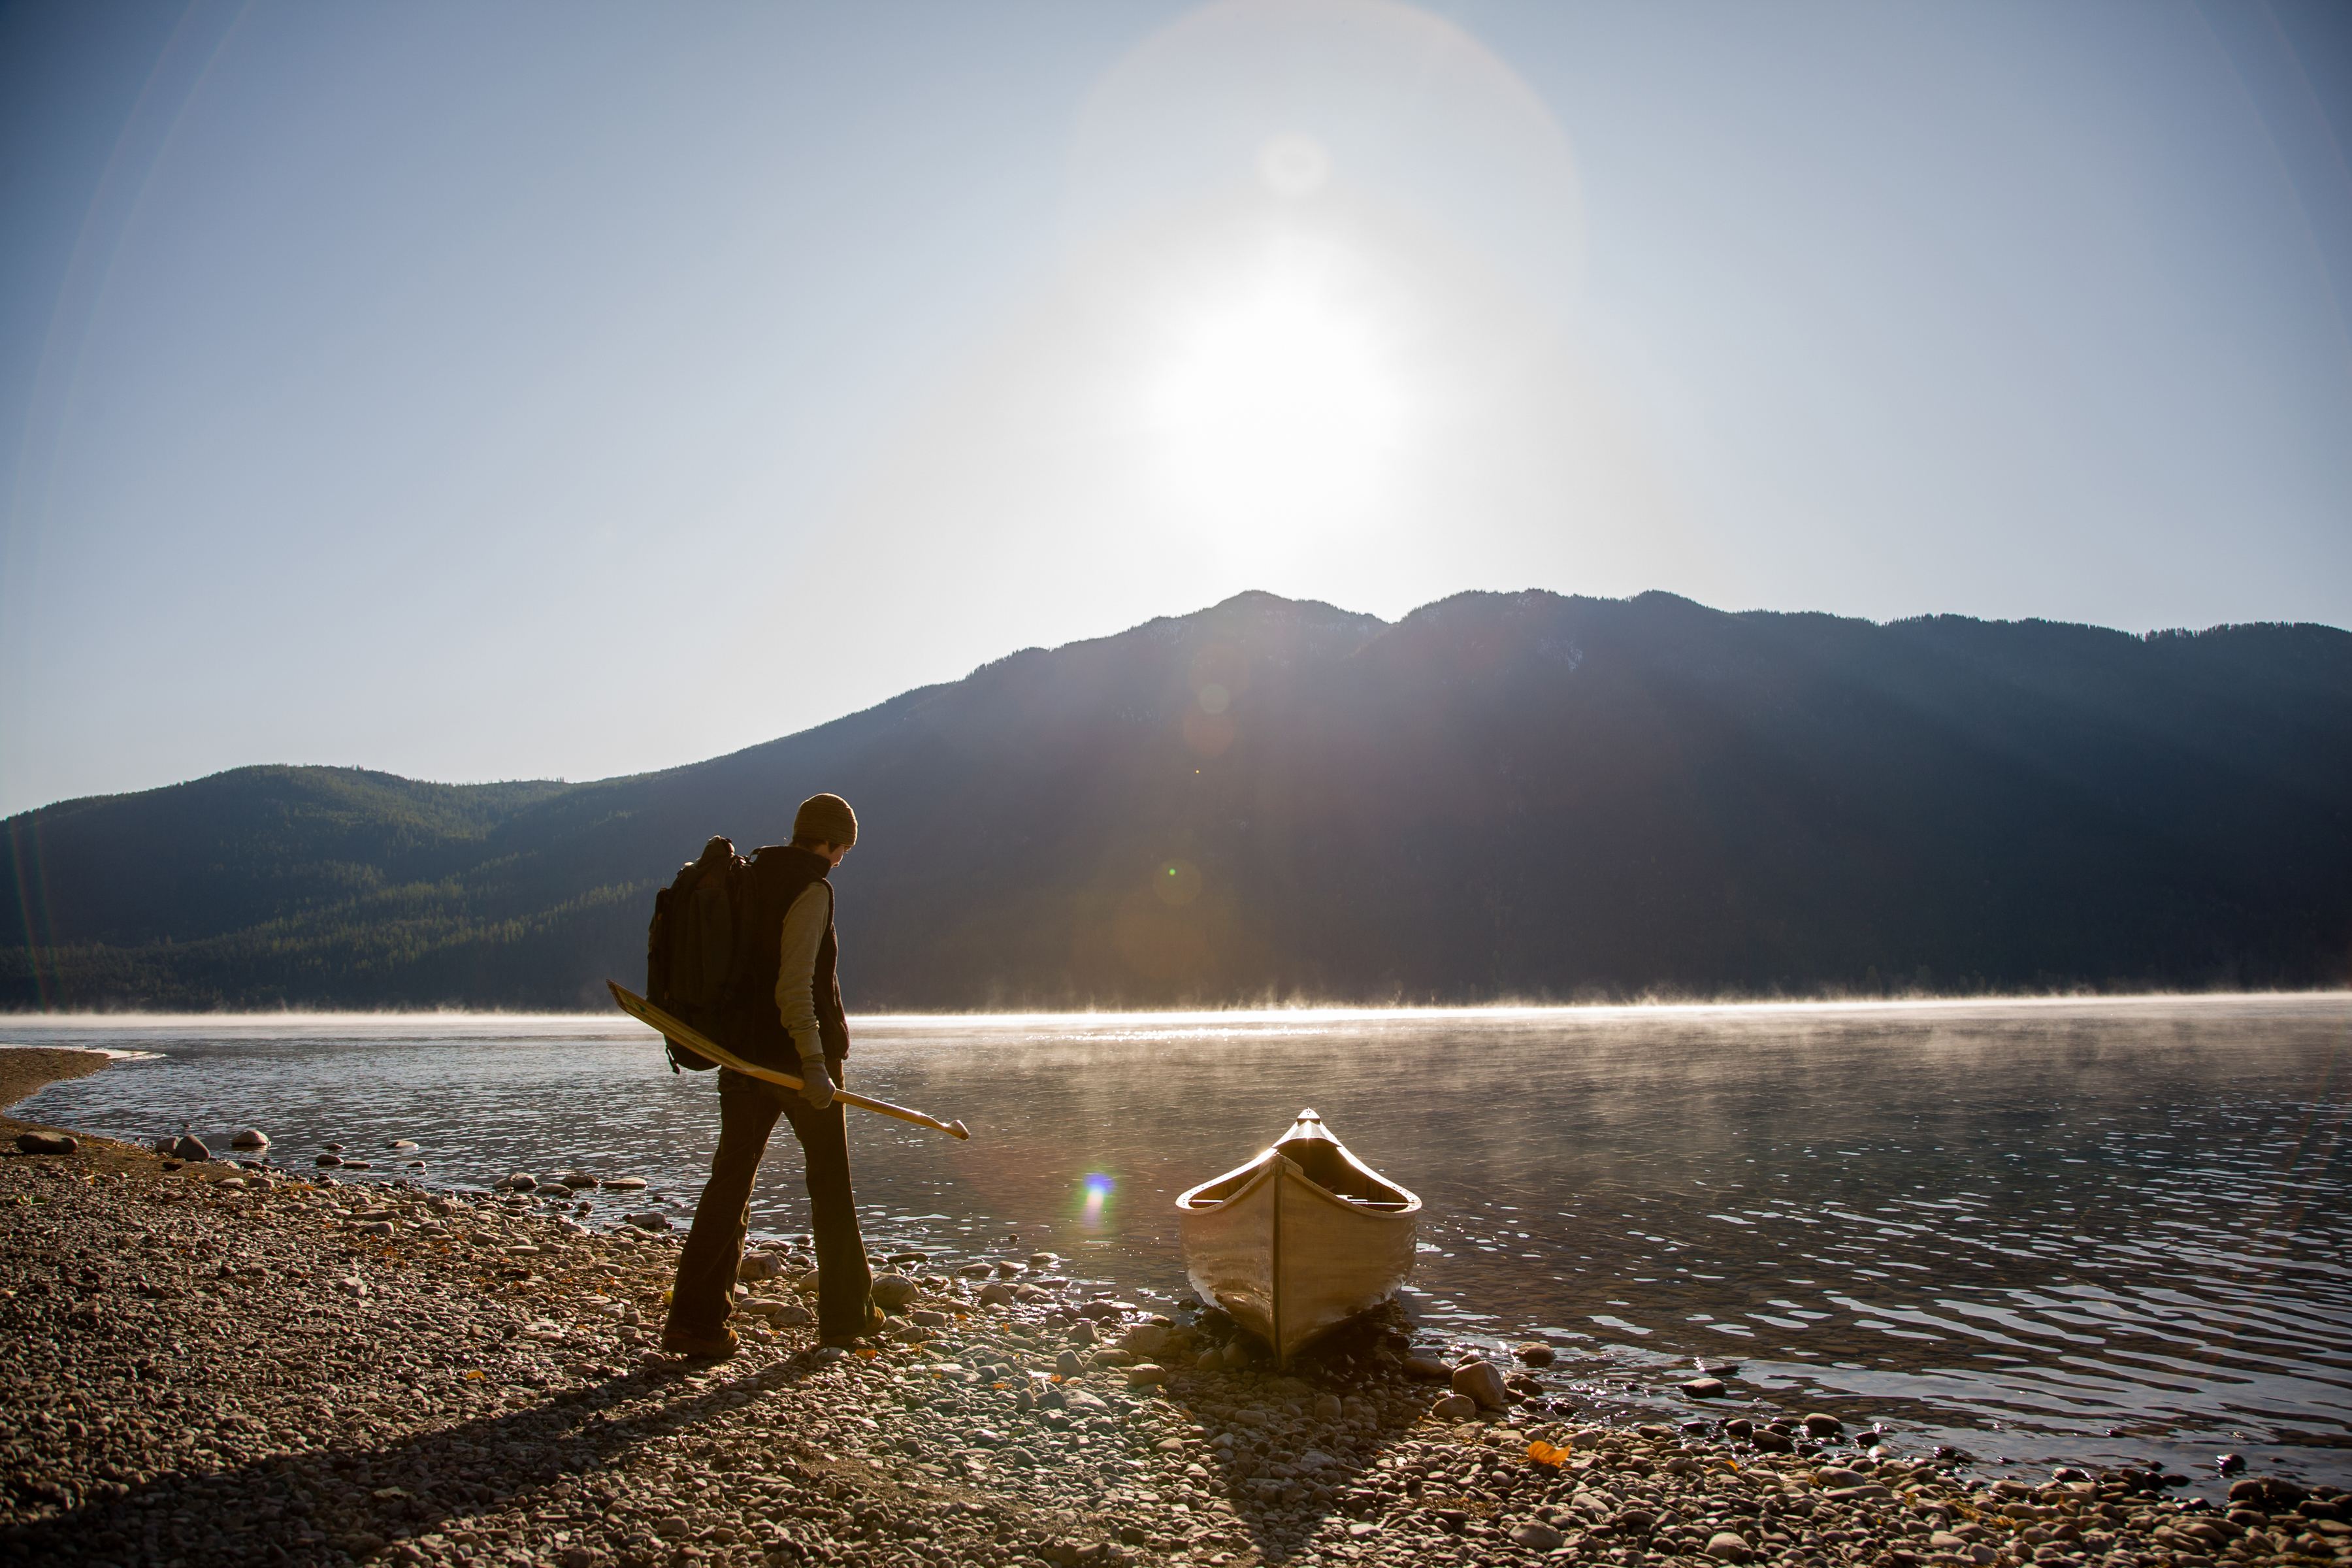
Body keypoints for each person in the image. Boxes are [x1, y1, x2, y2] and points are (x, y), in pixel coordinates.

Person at [662, 792, 881, 1358]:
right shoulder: (810, 888)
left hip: (740, 1058)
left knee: (729, 1182)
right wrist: (814, 1065)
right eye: (843, 849)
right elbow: (795, 987)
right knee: (831, 1186)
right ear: (832, 842)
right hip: (796, 1062)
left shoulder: (750, 875)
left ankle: (695, 1322)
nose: (841, 859)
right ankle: (844, 1320)